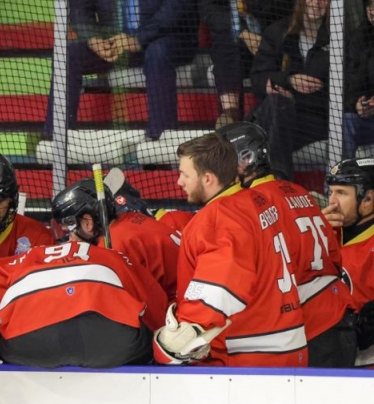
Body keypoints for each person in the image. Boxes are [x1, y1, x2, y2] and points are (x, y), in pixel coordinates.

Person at [155, 133, 308, 366]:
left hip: (250, 354)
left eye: (185, 175)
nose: (179, 182)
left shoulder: (217, 219)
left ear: (207, 178)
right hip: (288, 341)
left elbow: (220, 288)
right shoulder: (259, 200)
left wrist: (184, 333)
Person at [219, 122, 356, 367]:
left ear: (245, 159)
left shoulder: (252, 203)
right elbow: (334, 258)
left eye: (223, 159)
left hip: (314, 326)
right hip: (336, 314)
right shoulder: (299, 191)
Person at [44, 0, 198, 140]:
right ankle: (56, 140)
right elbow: (79, 7)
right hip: (115, 43)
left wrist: (138, 39)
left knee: (157, 52)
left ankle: (161, 142)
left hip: (168, 39)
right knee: (67, 54)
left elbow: (176, 4)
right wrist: (93, 38)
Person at [0, 218, 167, 368]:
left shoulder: (31, 256)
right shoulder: (110, 255)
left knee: (2, 341)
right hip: (109, 336)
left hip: (28, 340)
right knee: (146, 341)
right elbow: (153, 301)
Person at [200, 0, 301, 126]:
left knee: (270, 55)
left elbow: (272, 9)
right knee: (225, 43)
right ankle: (230, 117)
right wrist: (243, 34)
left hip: (272, 39)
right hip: (237, 38)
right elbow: (209, 7)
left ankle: (266, 121)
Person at [249, 0, 332, 180]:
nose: (316, 1)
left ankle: (277, 183)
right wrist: (288, 81)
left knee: (259, 133)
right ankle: (279, 181)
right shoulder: (278, 31)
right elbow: (258, 79)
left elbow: (348, 84)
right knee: (276, 106)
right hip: (281, 111)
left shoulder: (338, 38)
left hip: (317, 118)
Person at [50, 178, 180, 302]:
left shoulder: (112, 247)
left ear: (88, 223)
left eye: (70, 232)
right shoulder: (130, 218)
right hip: (184, 297)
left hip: (178, 310)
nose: (71, 240)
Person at [322, 158, 374, 365]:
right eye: (331, 191)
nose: (332, 201)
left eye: (342, 193)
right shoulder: (324, 231)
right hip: (329, 353)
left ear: (368, 199)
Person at [343, 0, 374, 158]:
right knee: (346, 120)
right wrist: (358, 105)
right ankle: (338, 183)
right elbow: (351, 85)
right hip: (369, 121)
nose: (372, 11)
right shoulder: (359, 38)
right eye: (369, 5)